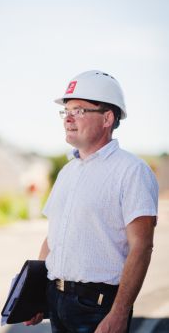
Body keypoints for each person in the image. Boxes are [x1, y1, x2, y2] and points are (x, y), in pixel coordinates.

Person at [24, 70, 158, 333]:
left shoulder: (132, 171)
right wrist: (37, 294)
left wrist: (119, 312)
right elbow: (52, 240)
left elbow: (141, 247)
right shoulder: (67, 171)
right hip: (56, 298)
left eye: (80, 111)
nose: (68, 119)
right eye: (66, 111)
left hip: (97, 306)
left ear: (107, 118)